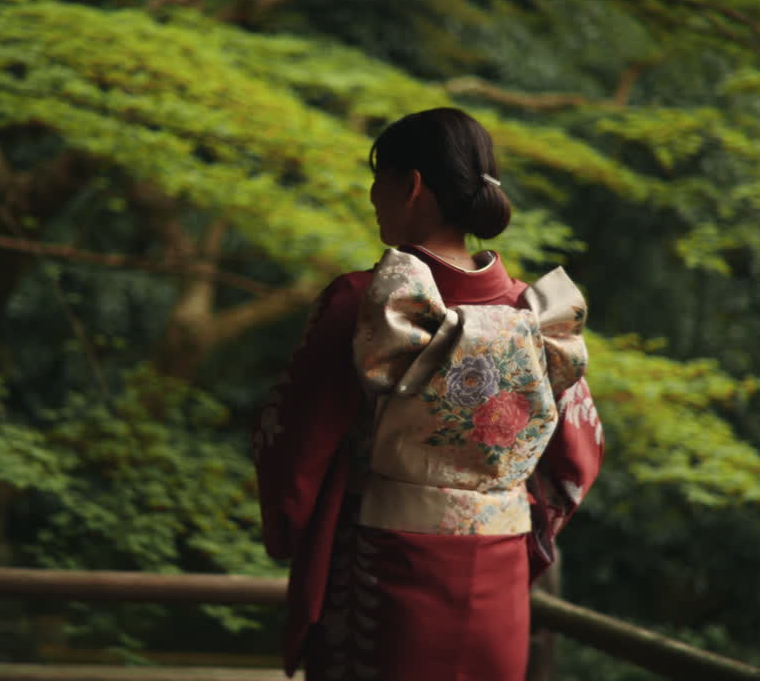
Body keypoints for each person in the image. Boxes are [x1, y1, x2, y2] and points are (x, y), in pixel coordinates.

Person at [252, 107, 604, 680]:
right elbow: (577, 456)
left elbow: (294, 442)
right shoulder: (534, 314)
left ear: (410, 185)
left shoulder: (362, 302)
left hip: (381, 574)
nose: (371, 197)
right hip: (500, 581)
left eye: (378, 178)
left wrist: (292, 527)